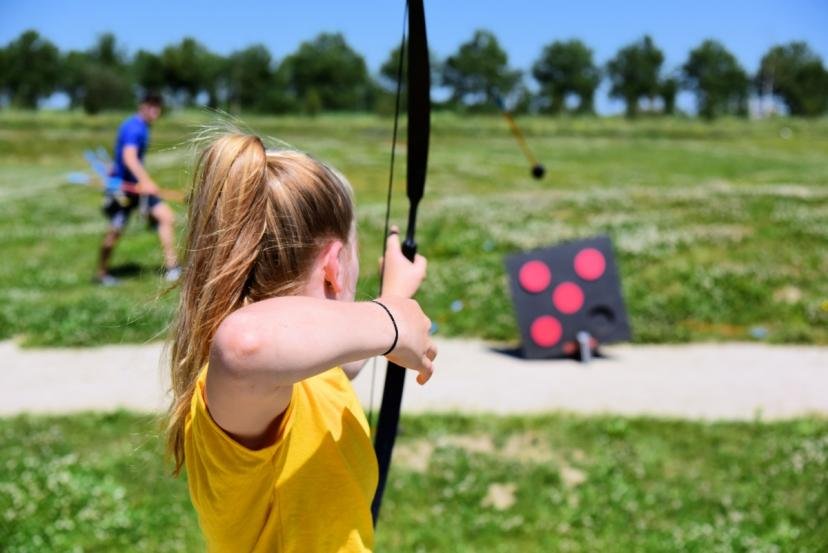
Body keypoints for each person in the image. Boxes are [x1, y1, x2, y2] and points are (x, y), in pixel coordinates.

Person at [166, 132, 437, 552]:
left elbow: (337, 366)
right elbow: (246, 344)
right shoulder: (245, 389)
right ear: (333, 268)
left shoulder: (297, 372)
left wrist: (396, 298)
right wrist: (389, 320)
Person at [96, 93, 180, 285]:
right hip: (125, 189)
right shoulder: (135, 128)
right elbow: (129, 157)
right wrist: (147, 182)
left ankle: (172, 267)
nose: (155, 111)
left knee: (166, 217)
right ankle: (101, 273)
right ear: (141, 106)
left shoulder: (140, 126)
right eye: (151, 106)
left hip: (137, 187)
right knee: (114, 232)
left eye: (158, 107)